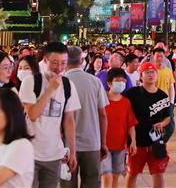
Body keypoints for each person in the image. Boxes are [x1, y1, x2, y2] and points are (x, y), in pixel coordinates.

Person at [19, 41, 80, 188]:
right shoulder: (31, 82)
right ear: (45, 60)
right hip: (30, 153)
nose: (59, 68)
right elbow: (33, 115)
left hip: (54, 154)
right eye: (54, 62)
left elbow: (69, 121)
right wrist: (50, 90)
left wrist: (72, 152)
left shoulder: (68, 85)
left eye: (63, 63)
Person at [64, 45, 109, 188]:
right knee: (91, 183)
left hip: (66, 146)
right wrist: (102, 143)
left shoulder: (59, 81)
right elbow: (102, 115)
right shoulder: (94, 81)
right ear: (82, 60)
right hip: (92, 143)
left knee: (67, 183)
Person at [125, 62, 172, 188]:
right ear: (141, 76)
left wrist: (162, 123)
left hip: (156, 143)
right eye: (147, 72)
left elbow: (168, 117)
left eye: (153, 72)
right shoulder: (132, 93)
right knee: (132, 173)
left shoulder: (162, 95)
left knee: (158, 173)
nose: (151, 75)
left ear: (157, 75)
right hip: (137, 143)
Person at [103, 68, 137, 188]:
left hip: (120, 146)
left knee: (115, 177)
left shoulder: (126, 102)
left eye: (123, 81)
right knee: (106, 176)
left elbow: (131, 124)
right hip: (103, 146)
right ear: (109, 83)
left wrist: (133, 141)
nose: (121, 84)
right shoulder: (101, 101)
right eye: (117, 81)